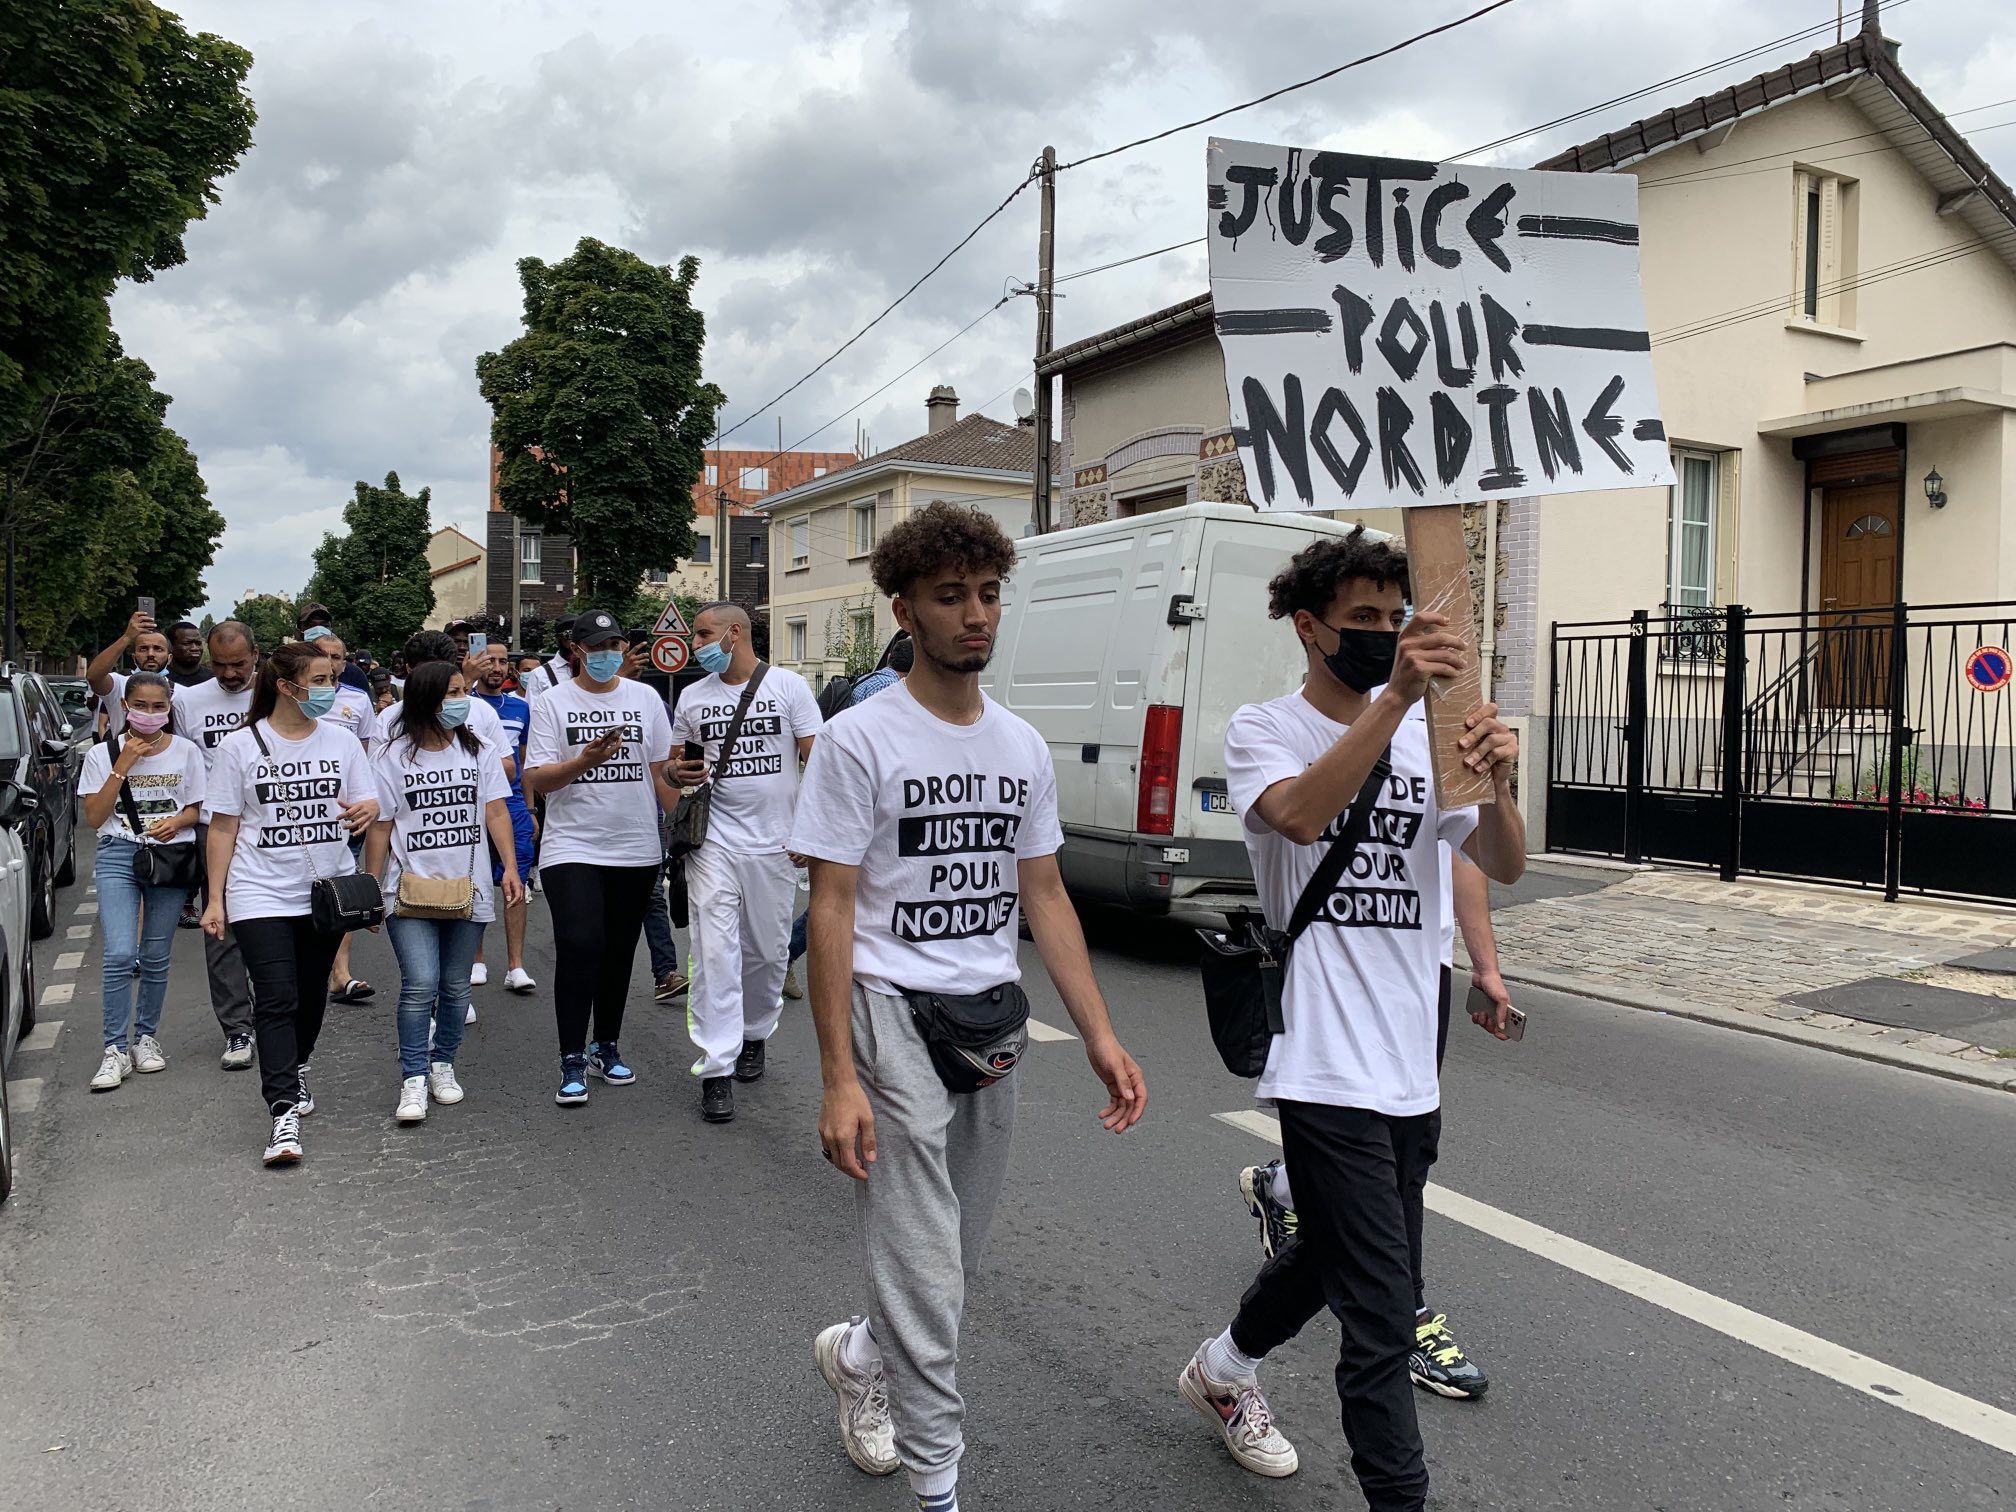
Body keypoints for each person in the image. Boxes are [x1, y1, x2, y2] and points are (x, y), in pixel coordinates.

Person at [795, 502, 1147, 1512]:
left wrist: (1101, 1034)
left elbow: (1044, 893)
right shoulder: (860, 740)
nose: (977, 616)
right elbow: (832, 902)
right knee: (930, 1272)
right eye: (951, 597)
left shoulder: (1022, 747)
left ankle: (863, 1354)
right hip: (887, 1009)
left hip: (987, 1021)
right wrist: (836, 1077)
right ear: (905, 609)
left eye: (989, 595)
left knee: (950, 1253)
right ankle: (938, 1485)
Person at [1177, 530, 1522, 1508]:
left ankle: (1222, 1368)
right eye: (1361, 620)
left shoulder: (1423, 732)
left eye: (1392, 617)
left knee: (1335, 1257)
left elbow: (1500, 862)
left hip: (1413, 1057)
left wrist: (1499, 778)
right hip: (1321, 1060)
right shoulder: (1265, 728)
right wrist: (1401, 701)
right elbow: (1295, 816)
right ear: (1310, 629)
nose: (1381, 635)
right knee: (1383, 1317)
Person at [1237, 845, 1512, 1402]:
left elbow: (1467, 849)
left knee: (1403, 1151)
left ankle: (1284, 1188)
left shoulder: (1442, 753)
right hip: (1335, 957)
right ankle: (1405, 1313)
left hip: (1419, 965)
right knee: (1389, 1172)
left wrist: (1483, 965)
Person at [202, 641, 380, 1166]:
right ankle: (282, 1112)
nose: (331, 690)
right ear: (286, 686)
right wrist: (215, 899)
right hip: (258, 890)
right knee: (276, 997)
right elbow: (224, 826)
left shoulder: (343, 742)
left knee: (309, 993)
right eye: (320, 680)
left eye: (332, 679)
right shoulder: (239, 747)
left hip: (325, 891)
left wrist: (366, 810)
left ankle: (298, 1064)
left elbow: (367, 799)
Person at [669, 601, 822, 1123]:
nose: (697, 643)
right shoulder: (691, 697)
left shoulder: (789, 688)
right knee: (712, 954)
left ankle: (755, 1032)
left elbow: (816, 759)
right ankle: (716, 1065)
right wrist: (675, 775)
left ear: (735, 633)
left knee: (767, 953)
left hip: (776, 845)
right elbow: (674, 766)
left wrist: (815, 831)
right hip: (713, 843)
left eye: (705, 633)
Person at [522, 608, 676, 1105]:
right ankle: (570, 1055)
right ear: (576, 650)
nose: (609, 655)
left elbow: (660, 771)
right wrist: (584, 762)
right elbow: (537, 779)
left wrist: (684, 813)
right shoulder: (551, 702)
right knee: (579, 942)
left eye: (616, 646)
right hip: (573, 845)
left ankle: (605, 1045)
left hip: (635, 845)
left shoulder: (646, 698)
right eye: (598, 647)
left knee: (618, 952)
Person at [365, 661, 523, 1124]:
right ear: (425, 700)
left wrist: (510, 867)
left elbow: (496, 811)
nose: (462, 702)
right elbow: (381, 826)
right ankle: (413, 1076)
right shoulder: (392, 756)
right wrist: (373, 889)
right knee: (419, 985)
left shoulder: (479, 751)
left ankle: (443, 1064)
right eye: (452, 693)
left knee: (455, 989)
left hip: (467, 887)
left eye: (463, 692)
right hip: (406, 890)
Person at [83, 673, 206, 1091]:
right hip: (119, 852)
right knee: (119, 952)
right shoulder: (102, 755)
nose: (149, 715)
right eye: (140, 706)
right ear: (125, 706)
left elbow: (196, 808)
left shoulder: (187, 752)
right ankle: (114, 1048)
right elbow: (96, 817)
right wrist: (122, 766)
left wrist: (177, 822)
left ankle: (146, 1039)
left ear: (170, 708)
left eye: (159, 707)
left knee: (156, 954)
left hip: (169, 857)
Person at [781, 632, 913, 1003]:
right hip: (869, 811)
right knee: (845, 897)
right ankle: (785, 957)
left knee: (844, 895)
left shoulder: (872, 682)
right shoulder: (887, 696)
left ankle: (784, 957)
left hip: (859, 809)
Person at [173, 622, 261, 1069]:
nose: (229, 674)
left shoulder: (274, 695)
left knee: (273, 923)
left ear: (256, 655)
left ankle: (274, 1014)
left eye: (238, 665)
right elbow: (181, 762)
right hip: (214, 828)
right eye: (220, 665)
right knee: (219, 922)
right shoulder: (186, 700)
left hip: (268, 826)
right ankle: (237, 1029)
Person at [470, 642, 537, 994]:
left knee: (517, 881)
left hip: (511, 803)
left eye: (502, 662)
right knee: (475, 879)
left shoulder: (521, 707)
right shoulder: (462, 702)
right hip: (472, 802)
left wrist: (530, 807)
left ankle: (516, 966)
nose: (496, 667)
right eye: (489, 660)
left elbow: (523, 761)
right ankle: (476, 960)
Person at [86, 609, 173, 740]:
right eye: (143, 649)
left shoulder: (180, 692)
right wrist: (127, 637)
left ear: (169, 658)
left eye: (158, 649)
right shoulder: (119, 685)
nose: (150, 654)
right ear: (133, 657)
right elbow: (94, 677)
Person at [521, 615, 575, 696]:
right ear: (557, 638)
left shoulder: (591, 669)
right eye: (569, 635)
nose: (574, 641)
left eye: (580, 636)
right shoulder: (540, 674)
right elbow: (533, 707)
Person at [165, 621, 214, 688]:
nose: (195, 648)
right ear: (170, 646)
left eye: (198, 643)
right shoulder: (161, 679)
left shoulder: (213, 680)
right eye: (187, 643)